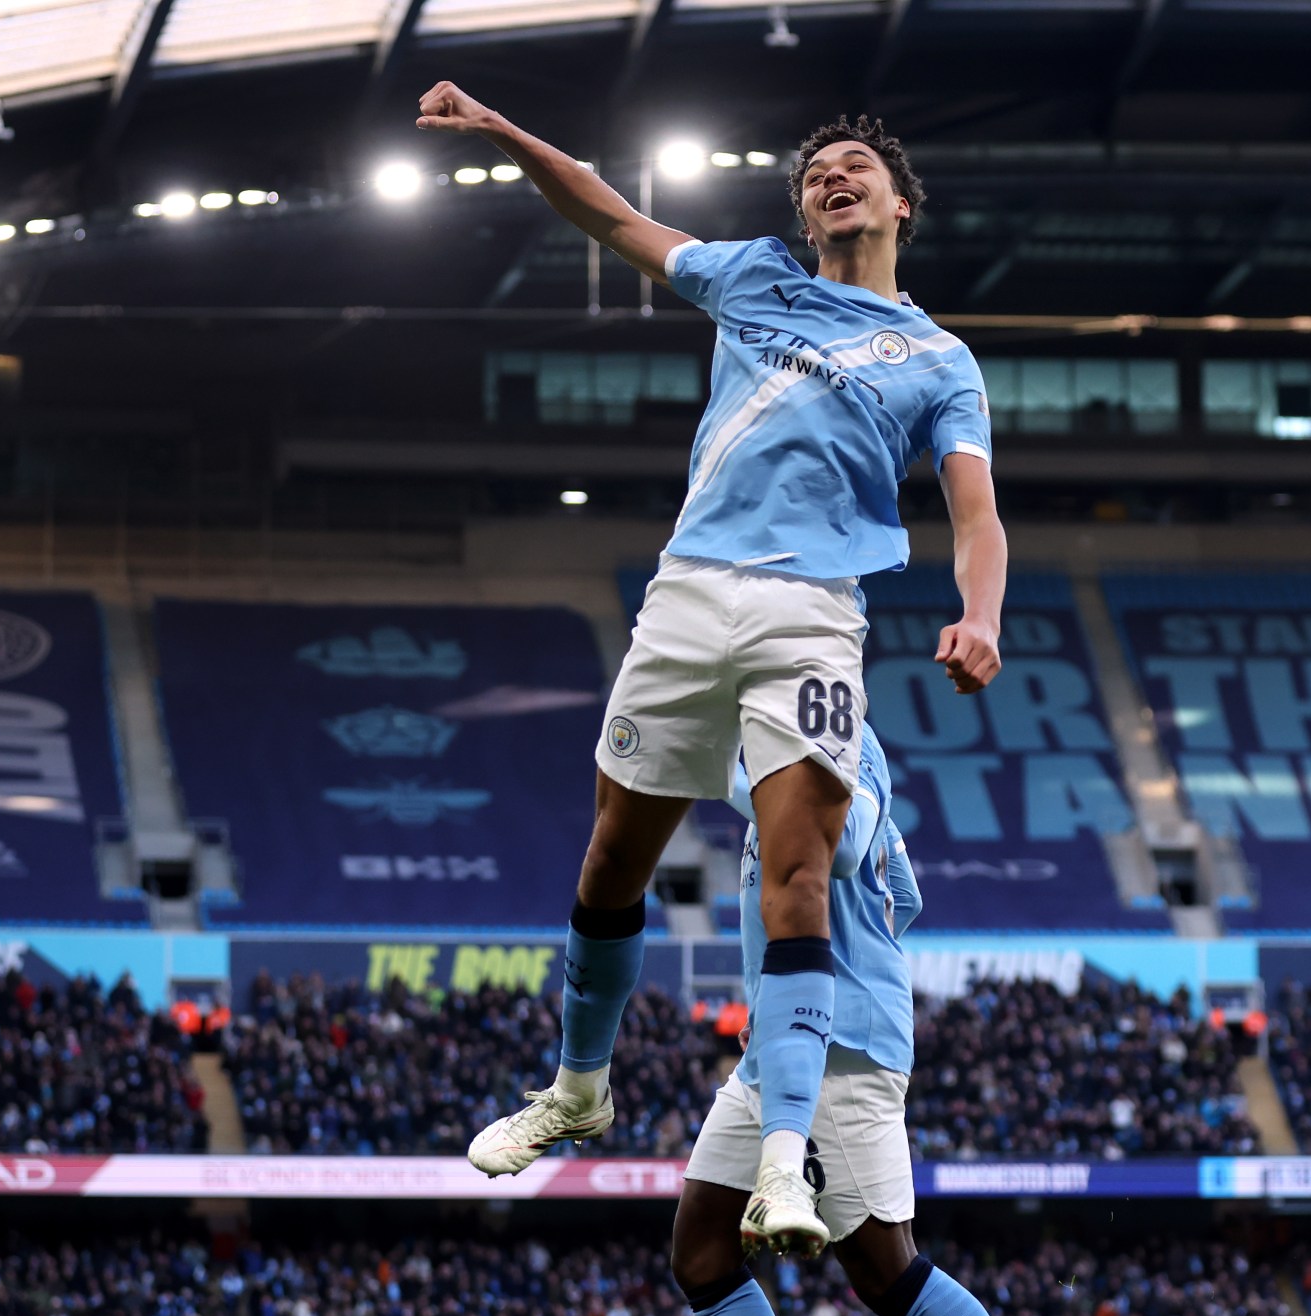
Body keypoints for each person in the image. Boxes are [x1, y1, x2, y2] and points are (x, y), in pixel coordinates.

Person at [421, 85, 1009, 1253]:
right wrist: (503, 130)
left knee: (799, 871)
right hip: (688, 595)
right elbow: (609, 213)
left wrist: (977, 611)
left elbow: (977, 514)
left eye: (855, 166)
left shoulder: (941, 361)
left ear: (901, 203)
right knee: (610, 862)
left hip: (810, 618)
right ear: (804, 212)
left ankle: (783, 1168)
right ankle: (577, 1087)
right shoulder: (752, 281)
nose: (832, 178)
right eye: (815, 173)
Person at [650, 725, 1114, 1316]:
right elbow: (902, 894)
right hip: (774, 1048)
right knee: (703, 1247)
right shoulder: (767, 740)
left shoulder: (837, 734)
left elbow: (855, 832)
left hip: (839, 1043)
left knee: (882, 1266)